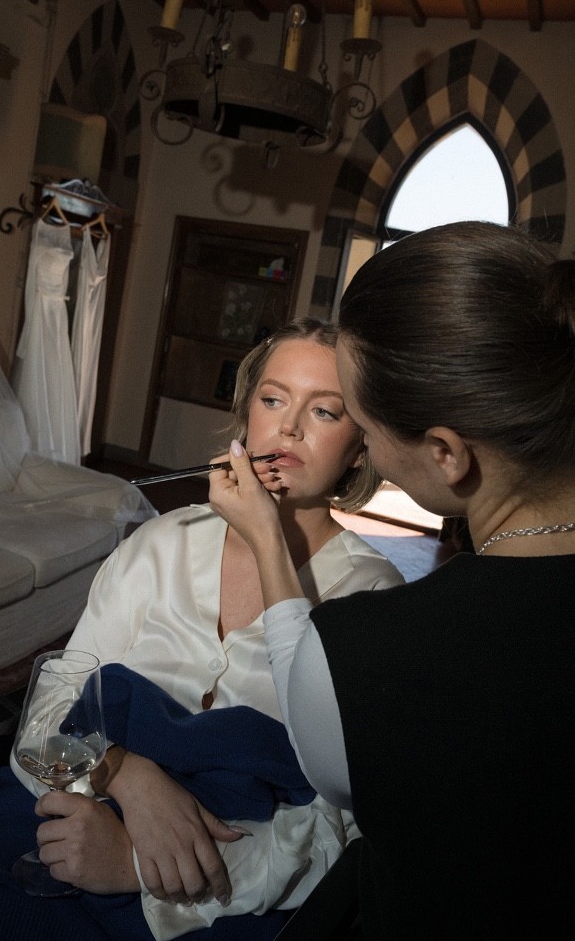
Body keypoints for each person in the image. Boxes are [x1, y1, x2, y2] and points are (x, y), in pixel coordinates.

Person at [0, 317, 403, 941]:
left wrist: (137, 866)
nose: (289, 428)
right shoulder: (162, 541)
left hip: (228, 894)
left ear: (360, 447)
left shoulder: (374, 594)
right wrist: (125, 774)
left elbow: (345, 829)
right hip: (77, 817)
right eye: (273, 400)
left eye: (325, 411)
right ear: (246, 414)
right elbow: (51, 708)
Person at [208, 221, 575, 939]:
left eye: (361, 427)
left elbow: (315, 718)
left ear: (446, 453)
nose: (369, 450)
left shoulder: (376, 652)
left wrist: (267, 540)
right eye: (274, 400)